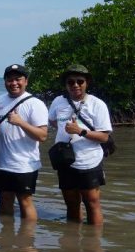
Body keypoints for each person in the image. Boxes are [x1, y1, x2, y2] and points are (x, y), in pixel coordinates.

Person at [48, 64, 112, 225]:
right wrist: (66, 131)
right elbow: (52, 121)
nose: (75, 85)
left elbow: (104, 137)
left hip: (89, 161)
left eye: (80, 81)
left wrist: (80, 131)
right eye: (70, 82)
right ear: (65, 84)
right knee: (71, 204)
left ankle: (94, 245)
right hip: (65, 161)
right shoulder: (58, 101)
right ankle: (72, 242)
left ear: (87, 83)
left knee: (92, 203)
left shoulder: (97, 104)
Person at [0, 64, 48, 221]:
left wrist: (21, 123)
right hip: (1, 163)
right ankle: (7, 239)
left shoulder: (35, 103)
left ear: (26, 81)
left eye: (18, 79)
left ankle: (27, 241)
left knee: (25, 201)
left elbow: (43, 136)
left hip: (24, 164)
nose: (14, 83)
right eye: (10, 80)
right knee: (4, 200)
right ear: (5, 82)